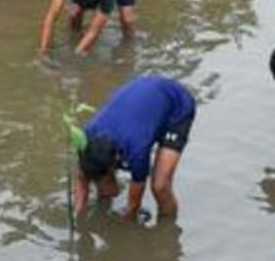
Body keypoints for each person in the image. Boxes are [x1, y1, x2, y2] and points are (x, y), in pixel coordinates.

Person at [74, 73, 196, 221]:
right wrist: (79, 219)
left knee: (160, 186)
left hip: (177, 105)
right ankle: (105, 197)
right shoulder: (86, 137)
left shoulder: (137, 152)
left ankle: (168, 229)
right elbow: (81, 178)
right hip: (145, 99)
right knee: (107, 189)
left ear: (114, 166)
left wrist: (125, 232)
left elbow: (133, 207)